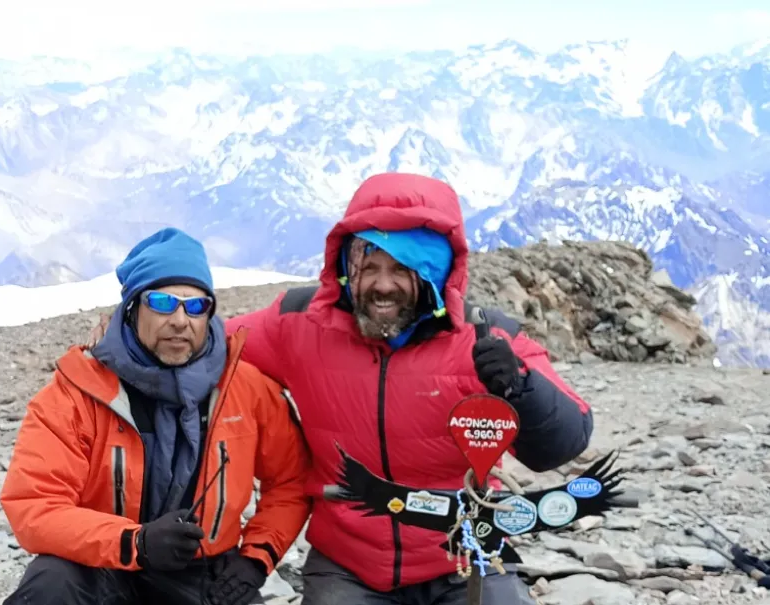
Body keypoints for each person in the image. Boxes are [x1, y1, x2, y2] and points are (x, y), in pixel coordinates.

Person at [88, 173, 594, 605]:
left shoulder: (486, 338)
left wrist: (520, 388)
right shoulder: (302, 325)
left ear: (434, 273)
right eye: (367, 265)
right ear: (346, 267)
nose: (381, 284)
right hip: (350, 566)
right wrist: (125, 332)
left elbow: (565, 442)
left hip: (466, 552)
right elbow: (207, 340)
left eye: (402, 268)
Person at [0, 227, 311, 605]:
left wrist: (257, 559)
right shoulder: (78, 391)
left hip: (203, 570)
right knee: (52, 582)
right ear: (132, 309)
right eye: (163, 302)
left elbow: (292, 479)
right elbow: (34, 505)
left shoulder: (244, 387)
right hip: (102, 565)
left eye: (196, 306)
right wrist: (136, 543)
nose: (181, 320)